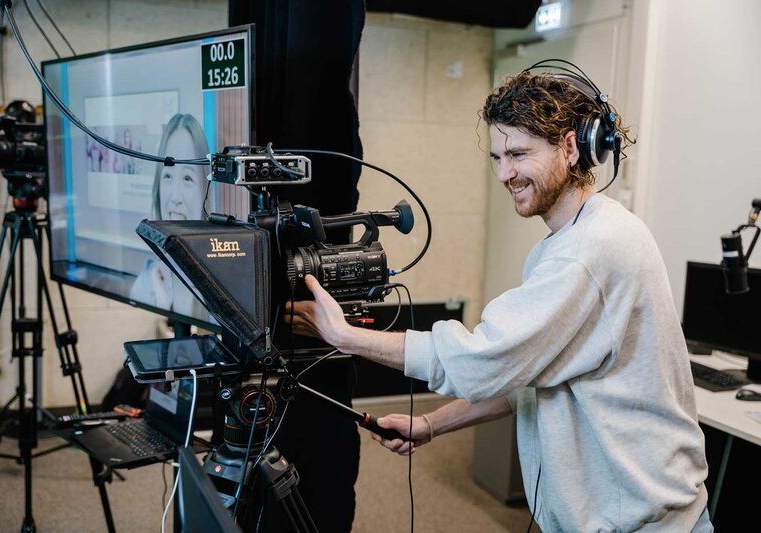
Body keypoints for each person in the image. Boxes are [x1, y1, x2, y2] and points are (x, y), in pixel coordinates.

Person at [285, 68, 714, 532]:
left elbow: (481, 361)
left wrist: (344, 335)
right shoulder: (568, 243)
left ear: (571, 148)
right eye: (497, 157)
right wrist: (432, 424)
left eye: (519, 154)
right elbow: (522, 373)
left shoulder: (590, 252)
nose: (505, 174)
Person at [130, 113, 210, 321]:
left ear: (205, 188)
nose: (175, 197)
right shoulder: (145, 287)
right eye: (167, 175)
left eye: (187, 178)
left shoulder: (224, 289)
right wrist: (158, 318)